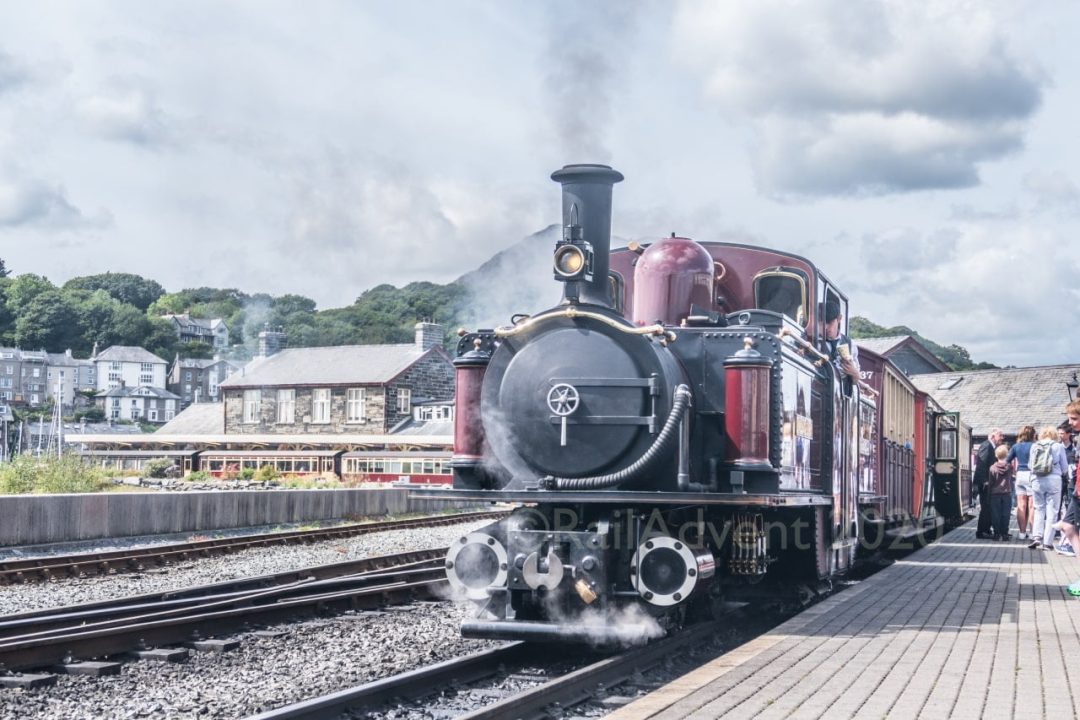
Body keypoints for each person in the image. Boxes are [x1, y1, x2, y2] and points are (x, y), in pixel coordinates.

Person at [1027, 426, 1069, 550]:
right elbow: (1065, 467)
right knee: (1052, 511)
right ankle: (1047, 542)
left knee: (1039, 508)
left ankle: (1036, 537)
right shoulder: (1058, 446)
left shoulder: (1035, 446)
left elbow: (1030, 465)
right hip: (1054, 479)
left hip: (1037, 479)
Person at [1056, 400, 1080, 593]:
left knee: (1070, 528)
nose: (1070, 423)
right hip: (1076, 490)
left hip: (1079, 491)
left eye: (1074, 418)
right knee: (1067, 526)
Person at [974, 428, 1004, 539]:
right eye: (1000, 435)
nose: (1002, 438)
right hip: (985, 483)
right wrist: (984, 481)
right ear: (992, 436)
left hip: (988, 482)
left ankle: (985, 529)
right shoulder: (987, 446)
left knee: (988, 506)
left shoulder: (991, 446)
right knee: (986, 507)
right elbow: (981, 464)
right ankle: (982, 531)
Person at [822, 299, 860, 386]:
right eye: (824, 323)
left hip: (840, 396)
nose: (826, 327)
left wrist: (854, 373)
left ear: (839, 318)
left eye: (830, 322)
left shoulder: (851, 344)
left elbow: (855, 382)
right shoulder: (814, 340)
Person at [1007, 425, 1036, 539]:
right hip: (1032, 475)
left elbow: (1007, 460)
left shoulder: (1016, 446)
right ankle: (1033, 533)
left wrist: (1013, 471)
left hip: (1020, 475)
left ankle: (1022, 533)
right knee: (1032, 506)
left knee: (1021, 505)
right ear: (1032, 434)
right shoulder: (1035, 446)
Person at [988, 444, 1015, 541]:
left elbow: (991, 482)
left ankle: (996, 534)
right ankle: (1005, 534)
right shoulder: (1009, 467)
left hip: (995, 494)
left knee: (996, 514)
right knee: (1006, 514)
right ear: (1007, 455)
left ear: (996, 455)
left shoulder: (992, 468)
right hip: (1007, 493)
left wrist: (989, 493)